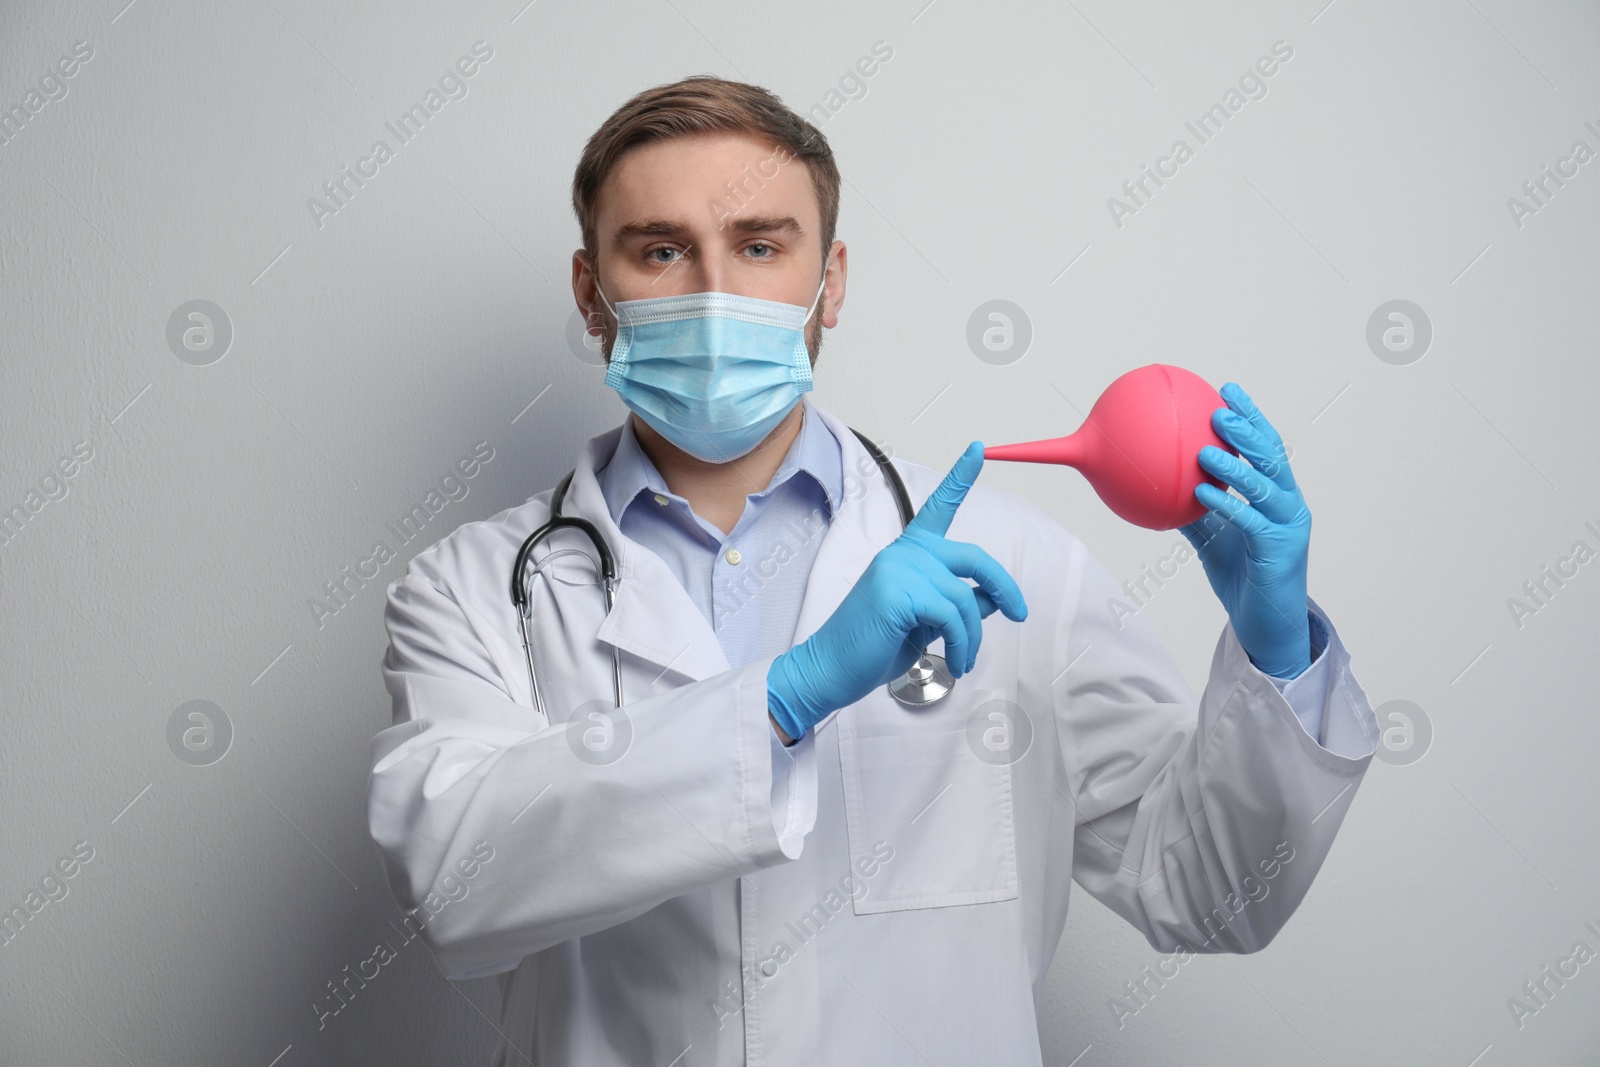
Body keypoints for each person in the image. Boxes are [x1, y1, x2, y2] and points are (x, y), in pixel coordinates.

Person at [365, 75, 1379, 1067]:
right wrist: (785, 697)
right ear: (592, 291)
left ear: (830, 280)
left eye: (760, 245)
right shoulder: (474, 590)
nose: (715, 293)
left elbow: (1212, 890)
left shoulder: (1015, 562)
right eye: (661, 249)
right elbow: (455, 883)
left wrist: (1272, 641)